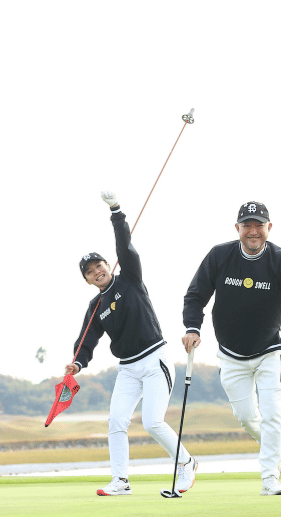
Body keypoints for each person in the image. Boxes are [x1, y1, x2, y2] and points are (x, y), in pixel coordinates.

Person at [182, 201, 281, 496]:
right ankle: (274, 443)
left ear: (269, 228)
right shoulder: (219, 256)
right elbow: (196, 295)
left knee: (273, 414)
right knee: (247, 418)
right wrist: (192, 328)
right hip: (230, 355)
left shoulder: (280, 259)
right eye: (247, 225)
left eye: (259, 225)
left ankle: (269, 478)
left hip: (269, 351)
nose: (253, 231)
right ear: (237, 228)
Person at [67, 191, 197, 497]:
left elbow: (124, 246)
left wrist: (116, 211)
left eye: (99, 265)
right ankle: (120, 481)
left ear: (107, 265)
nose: (97, 272)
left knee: (152, 423)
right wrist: (78, 363)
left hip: (154, 360)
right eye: (90, 272)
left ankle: (186, 463)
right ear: (87, 280)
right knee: (116, 421)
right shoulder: (95, 307)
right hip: (127, 369)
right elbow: (86, 340)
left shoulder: (130, 279)